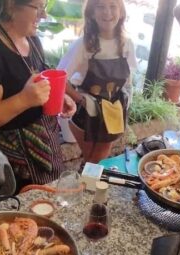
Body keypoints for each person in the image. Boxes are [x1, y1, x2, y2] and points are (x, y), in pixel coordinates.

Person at [0, 0, 76, 186]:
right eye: (37, 7)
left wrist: (58, 96)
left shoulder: (31, 38)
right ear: (11, 5)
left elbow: (36, 80)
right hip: (9, 163)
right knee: (19, 212)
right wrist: (24, 99)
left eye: (43, 7)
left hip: (45, 147)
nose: (43, 15)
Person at [58, 0, 137, 164]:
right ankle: (87, 186)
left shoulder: (126, 43)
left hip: (113, 110)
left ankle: (84, 186)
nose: (107, 12)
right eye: (100, 6)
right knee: (94, 160)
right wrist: (81, 100)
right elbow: (60, 78)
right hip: (86, 113)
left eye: (112, 6)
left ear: (121, 12)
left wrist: (126, 101)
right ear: (91, 13)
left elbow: (129, 79)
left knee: (94, 160)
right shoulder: (83, 44)